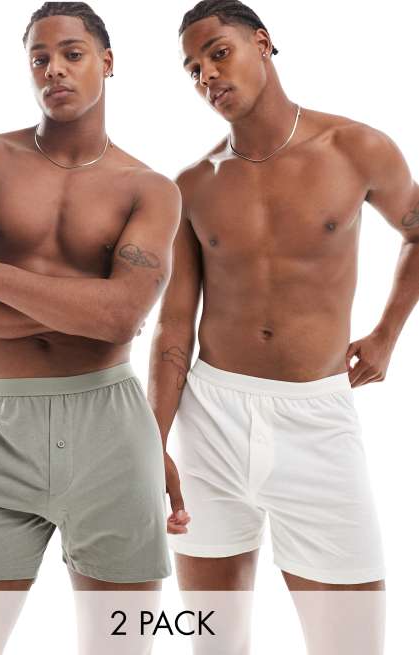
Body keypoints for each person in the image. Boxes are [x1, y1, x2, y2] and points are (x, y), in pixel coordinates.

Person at [0, 2, 180, 653]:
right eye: (39, 58)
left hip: (113, 431)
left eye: (71, 54)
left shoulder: (149, 188)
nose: (53, 68)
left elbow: (122, 317)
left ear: (106, 63)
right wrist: (92, 308)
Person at [148, 1, 419, 652]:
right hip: (210, 421)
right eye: (192, 69)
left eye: (218, 53)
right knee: (215, 641)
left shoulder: (354, 147)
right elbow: (173, 329)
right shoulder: (191, 186)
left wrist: (386, 333)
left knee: (352, 643)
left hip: (316, 420)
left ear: (262, 44)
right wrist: (149, 441)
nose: (207, 75)